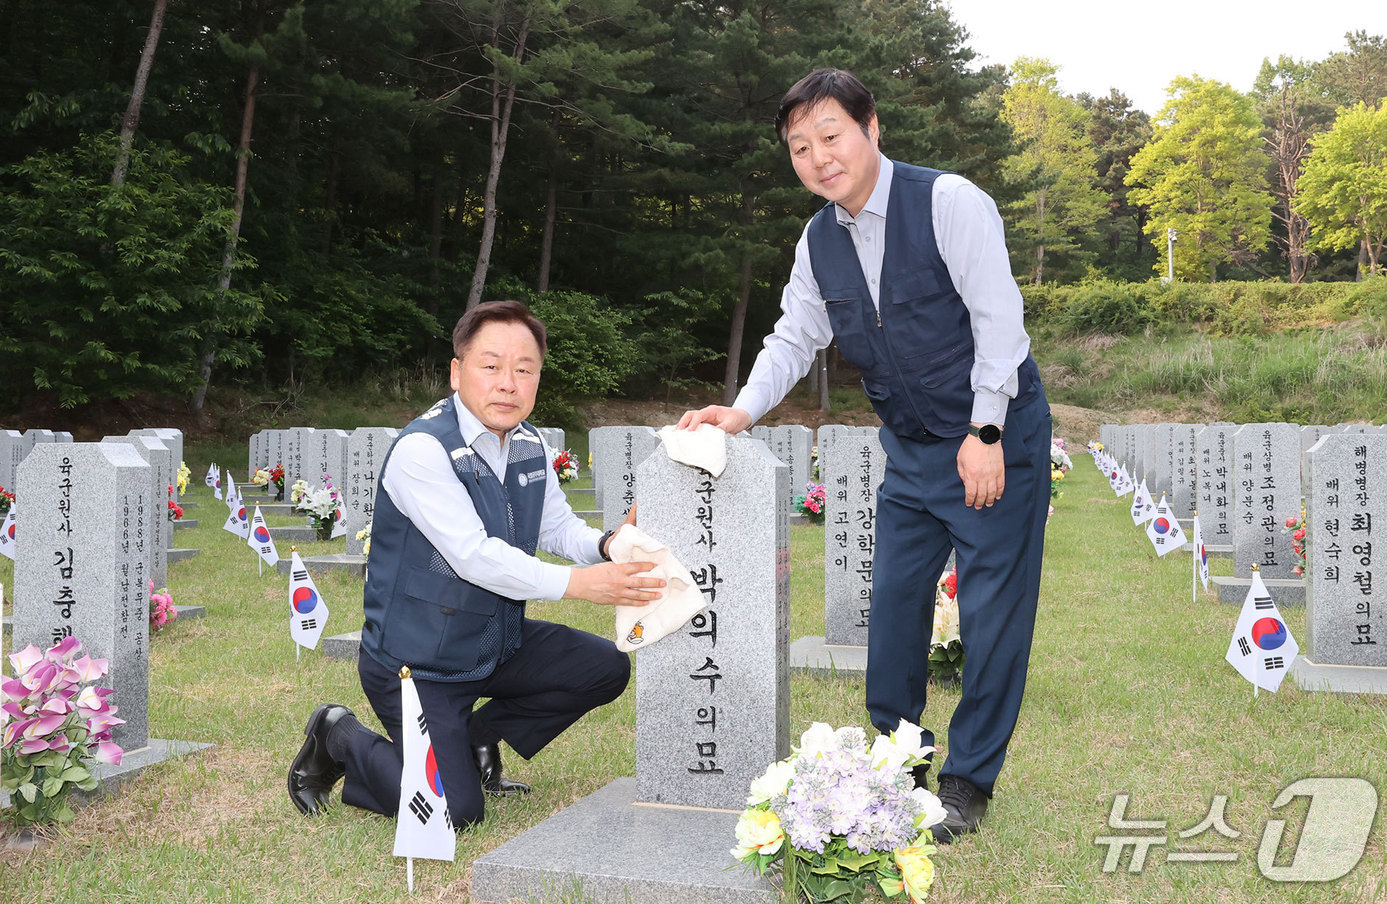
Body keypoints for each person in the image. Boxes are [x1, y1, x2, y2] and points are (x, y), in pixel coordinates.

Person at [678, 69, 1051, 842]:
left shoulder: (949, 203)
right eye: (800, 147)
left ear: (871, 127)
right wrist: (741, 411)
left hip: (993, 434)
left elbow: (1000, 322)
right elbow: (794, 336)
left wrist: (986, 433)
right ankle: (898, 763)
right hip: (910, 450)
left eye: (831, 135)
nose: (819, 158)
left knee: (991, 616)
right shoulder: (818, 240)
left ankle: (966, 783)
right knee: (893, 609)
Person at [288, 300, 665, 828]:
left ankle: (471, 738)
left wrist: (607, 546)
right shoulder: (423, 449)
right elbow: (473, 556)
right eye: (491, 366)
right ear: (456, 372)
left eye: (524, 370)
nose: (508, 384)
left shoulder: (530, 443)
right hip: (418, 662)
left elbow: (555, 526)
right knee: (454, 813)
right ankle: (339, 736)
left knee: (604, 668)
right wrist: (581, 584)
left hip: (493, 641)